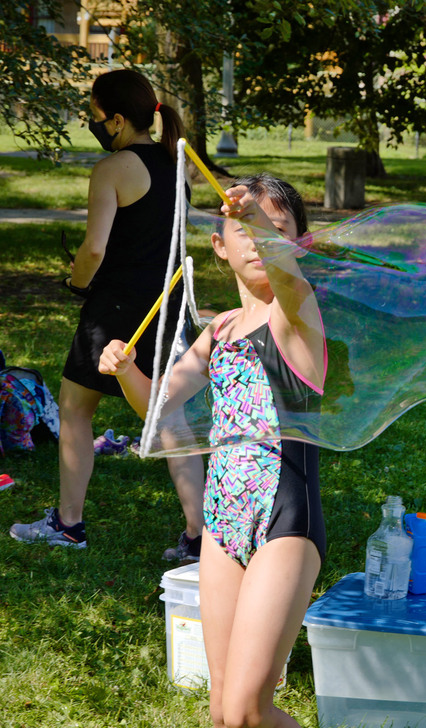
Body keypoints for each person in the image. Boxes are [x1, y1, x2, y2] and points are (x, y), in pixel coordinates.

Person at [99, 174, 326, 728]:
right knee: (222, 711)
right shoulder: (219, 330)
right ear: (219, 247)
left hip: (284, 521)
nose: (259, 241)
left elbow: (289, 280)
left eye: (275, 230)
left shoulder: (297, 315)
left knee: (249, 711)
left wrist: (253, 220)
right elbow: (158, 406)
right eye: (244, 231)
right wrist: (127, 372)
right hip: (222, 524)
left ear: (299, 244)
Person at [9, 68, 205, 560]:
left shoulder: (114, 168)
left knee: (75, 409)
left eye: (95, 116)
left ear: (117, 120)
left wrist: (76, 283)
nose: (93, 125)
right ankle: (200, 536)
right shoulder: (174, 160)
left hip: (116, 307)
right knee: (168, 416)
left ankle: (68, 525)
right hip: (165, 303)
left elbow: (93, 249)